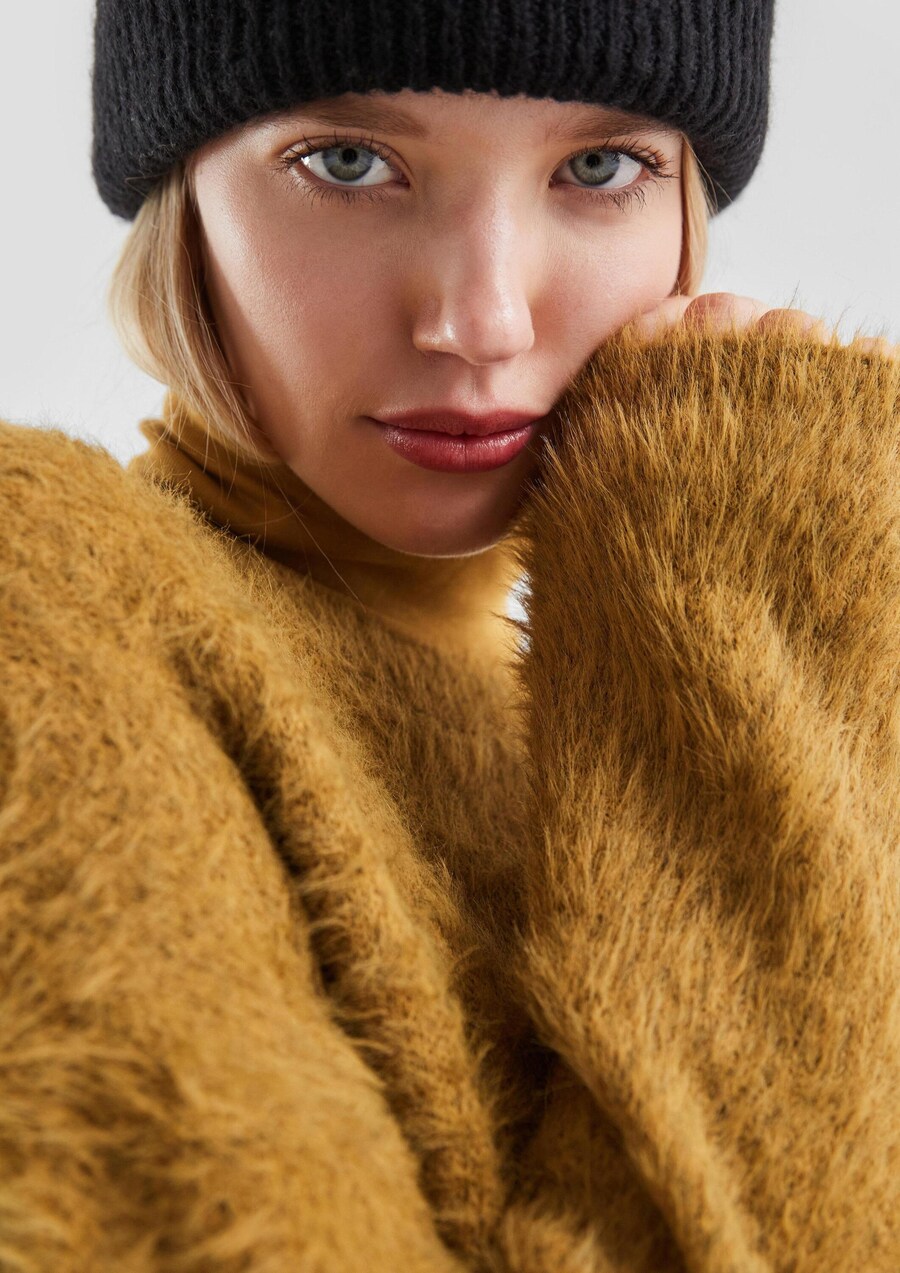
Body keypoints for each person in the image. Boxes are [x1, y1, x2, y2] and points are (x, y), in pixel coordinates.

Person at [0, 0, 897, 1269]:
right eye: (348, 161)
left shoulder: (617, 684)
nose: (483, 321)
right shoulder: (44, 602)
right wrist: (753, 662)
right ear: (182, 189)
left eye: (602, 167)